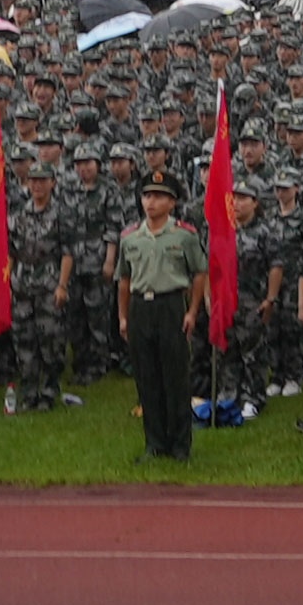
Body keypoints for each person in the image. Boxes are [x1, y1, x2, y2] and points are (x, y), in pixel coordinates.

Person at [113, 177, 204, 461]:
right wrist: (123, 316)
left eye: (159, 197)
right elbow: (124, 279)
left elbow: (199, 272)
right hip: (141, 306)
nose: (151, 202)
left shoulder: (184, 235)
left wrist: (192, 311)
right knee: (147, 377)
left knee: (175, 376)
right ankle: (154, 442)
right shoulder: (130, 237)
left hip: (171, 305)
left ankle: (180, 444)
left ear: (172, 203)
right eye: (147, 196)